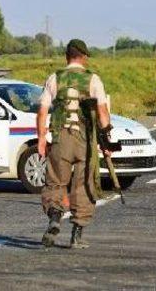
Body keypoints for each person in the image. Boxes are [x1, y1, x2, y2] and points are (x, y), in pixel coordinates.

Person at [37, 39, 112, 249]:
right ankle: (76, 235)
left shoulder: (54, 78)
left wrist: (42, 138)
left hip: (60, 138)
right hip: (84, 141)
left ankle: (54, 218)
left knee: (55, 182)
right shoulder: (93, 79)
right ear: (83, 56)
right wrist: (106, 140)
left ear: (67, 56)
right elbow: (103, 113)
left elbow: (42, 111)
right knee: (84, 185)